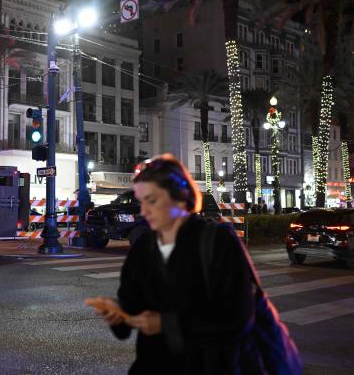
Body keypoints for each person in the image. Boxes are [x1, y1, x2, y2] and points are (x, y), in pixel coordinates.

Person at [89, 153, 258, 374]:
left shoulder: (218, 242)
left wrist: (167, 324)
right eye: (141, 201)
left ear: (179, 197)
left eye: (152, 200)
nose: (143, 211)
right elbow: (131, 308)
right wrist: (118, 315)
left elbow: (239, 316)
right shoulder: (143, 248)